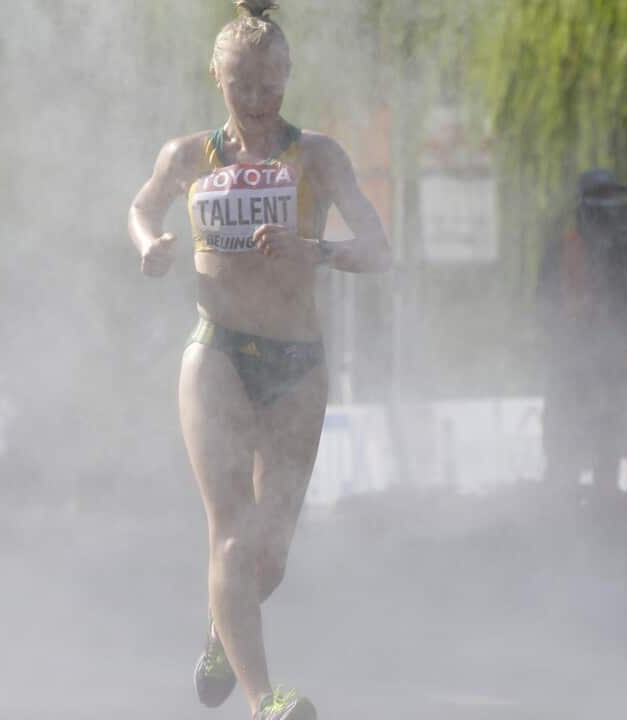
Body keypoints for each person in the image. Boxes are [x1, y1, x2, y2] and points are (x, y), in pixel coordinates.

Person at [126, 2, 390, 718]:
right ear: (216, 76)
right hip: (216, 351)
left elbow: (379, 247)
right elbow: (142, 206)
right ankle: (265, 700)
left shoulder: (318, 156)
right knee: (233, 534)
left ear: (288, 76)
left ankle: (222, 629)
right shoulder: (189, 155)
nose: (254, 100)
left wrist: (320, 251)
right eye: (241, 84)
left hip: (298, 361)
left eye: (269, 84)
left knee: (267, 555)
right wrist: (150, 245)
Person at [536, 169, 627, 501]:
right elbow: (545, 310)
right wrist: (582, 320)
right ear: (584, 212)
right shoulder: (561, 252)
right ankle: (560, 519)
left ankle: (604, 520)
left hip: (618, 372)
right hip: (572, 372)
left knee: (608, 460)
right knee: (564, 464)